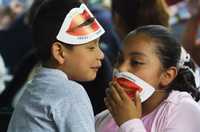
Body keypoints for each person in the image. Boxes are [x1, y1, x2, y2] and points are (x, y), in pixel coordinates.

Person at [7, 0, 105, 131]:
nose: (101, 55)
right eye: (91, 47)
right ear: (59, 52)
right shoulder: (71, 93)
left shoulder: (31, 89)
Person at [95, 25, 200, 132]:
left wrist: (129, 122)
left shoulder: (183, 110)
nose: (121, 68)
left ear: (167, 76)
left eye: (136, 62)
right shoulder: (103, 119)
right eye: (120, 59)